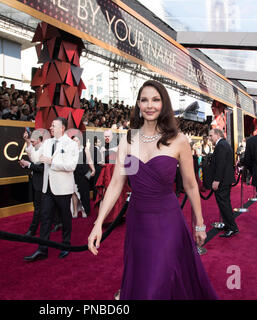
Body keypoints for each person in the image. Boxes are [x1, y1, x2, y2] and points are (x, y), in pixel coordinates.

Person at [88, 80, 218, 300]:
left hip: (168, 221)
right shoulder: (129, 141)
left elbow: (190, 185)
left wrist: (200, 224)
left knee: (158, 284)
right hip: (138, 222)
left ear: (163, 104)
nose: (150, 105)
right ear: (138, 104)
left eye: (156, 100)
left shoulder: (178, 140)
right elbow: (117, 183)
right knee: (143, 278)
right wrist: (98, 222)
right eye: (144, 100)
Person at [23, 117, 79, 261]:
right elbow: (36, 158)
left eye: (54, 125)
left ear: (62, 128)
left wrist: (52, 161)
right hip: (46, 187)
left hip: (63, 188)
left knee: (65, 217)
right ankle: (42, 249)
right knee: (45, 217)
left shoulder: (71, 144)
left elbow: (71, 166)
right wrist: (28, 143)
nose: (51, 128)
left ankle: (66, 245)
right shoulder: (47, 142)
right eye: (51, 125)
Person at [208, 128, 238, 238]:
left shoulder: (221, 146)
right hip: (225, 180)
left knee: (224, 205)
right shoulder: (224, 144)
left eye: (211, 136)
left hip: (222, 181)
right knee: (224, 204)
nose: (209, 138)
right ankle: (229, 225)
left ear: (217, 134)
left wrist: (217, 180)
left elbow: (220, 165)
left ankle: (232, 227)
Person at [19, 130, 45, 236]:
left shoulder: (44, 150)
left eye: (33, 142)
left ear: (39, 140)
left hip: (43, 181)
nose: (32, 143)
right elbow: (33, 159)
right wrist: (26, 164)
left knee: (39, 207)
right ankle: (58, 222)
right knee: (41, 206)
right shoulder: (36, 148)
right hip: (37, 181)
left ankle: (32, 230)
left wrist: (29, 164)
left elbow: (41, 167)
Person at [71, 134, 96, 218]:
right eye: (73, 141)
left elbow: (89, 160)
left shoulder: (85, 149)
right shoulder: (70, 151)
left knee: (84, 192)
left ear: (80, 141)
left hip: (85, 173)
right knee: (74, 192)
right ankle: (75, 210)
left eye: (77, 140)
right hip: (73, 173)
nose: (75, 142)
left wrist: (93, 169)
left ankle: (84, 209)